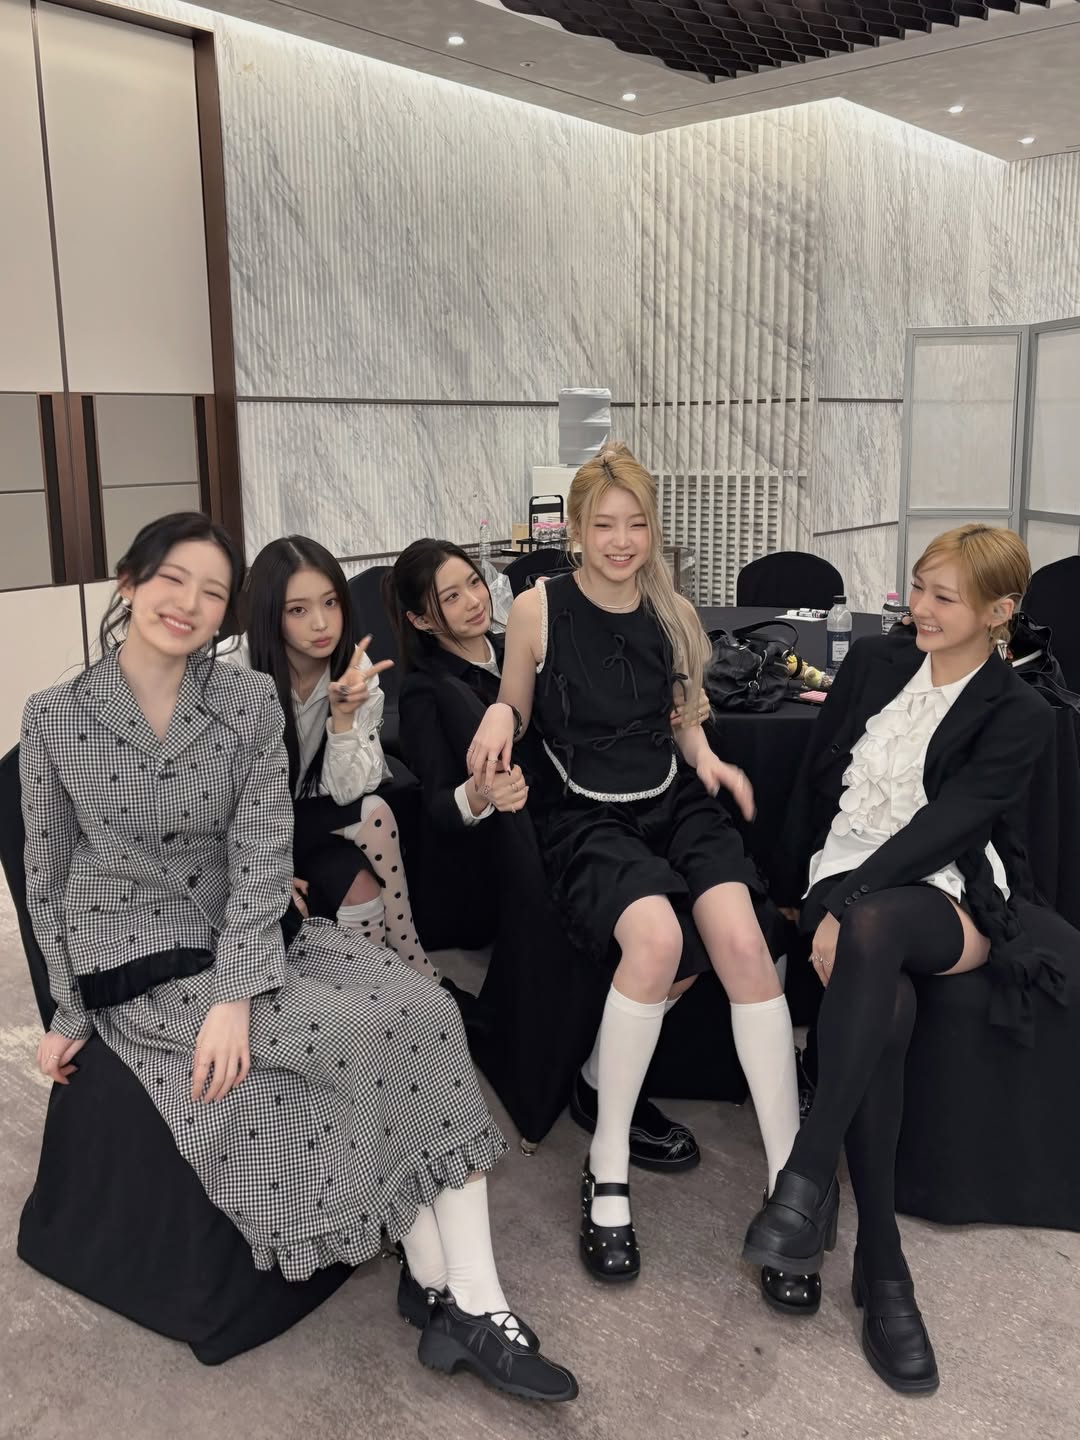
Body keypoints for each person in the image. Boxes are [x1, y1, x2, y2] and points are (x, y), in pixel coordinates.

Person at [22, 511, 577, 1402]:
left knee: (424, 1009)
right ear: (129, 583)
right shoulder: (55, 717)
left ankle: (450, 1291)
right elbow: (45, 877)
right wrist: (66, 1012)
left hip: (247, 932)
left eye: (211, 591)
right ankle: (461, 1302)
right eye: (172, 580)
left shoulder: (245, 702)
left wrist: (235, 995)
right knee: (356, 1039)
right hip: (141, 958)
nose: (189, 603)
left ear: (226, 611)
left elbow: (262, 850)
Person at [465, 444, 813, 1309]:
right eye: (604, 526)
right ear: (577, 532)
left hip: (672, 797)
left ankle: (791, 1184)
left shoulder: (674, 610)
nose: (622, 541)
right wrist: (497, 720)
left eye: (637, 524)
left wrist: (709, 762)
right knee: (656, 940)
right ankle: (608, 1162)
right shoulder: (537, 607)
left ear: (654, 530)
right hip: (584, 810)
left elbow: (683, 717)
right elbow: (513, 701)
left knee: (744, 941)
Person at [743, 523, 1071, 1395]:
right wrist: (807, 897)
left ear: (999, 612)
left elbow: (949, 827)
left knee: (876, 928)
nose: (919, 607)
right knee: (881, 997)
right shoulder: (875, 665)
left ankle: (806, 1173)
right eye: (918, 586)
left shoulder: (1019, 710)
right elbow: (819, 783)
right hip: (846, 873)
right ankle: (882, 1264)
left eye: (944, 597)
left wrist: (849, 907)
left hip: (949, 885)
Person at [388, 537, 702, 1164]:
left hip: (593, 809)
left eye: (473, 582)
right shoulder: (428, 691)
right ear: (421, 620)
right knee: (667, 935)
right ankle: (602, 1085)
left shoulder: (521, 643)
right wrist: (480, 794)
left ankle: (611, 1066)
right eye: (450, 597)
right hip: (525, 846)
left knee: (704, 914)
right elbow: (438, 808)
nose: (473, 600)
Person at [225, 536, 436, 981]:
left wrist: (341, 719)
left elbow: (346, 792)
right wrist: (266, 872)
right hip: (246, 826)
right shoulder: (234, 671)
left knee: (369, 854)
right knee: (369, 837)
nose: (321, 624)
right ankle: (413, 975)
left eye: (330, 602)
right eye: (297, 610)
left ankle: (393, 981)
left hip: (310, 815)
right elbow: (215, 796)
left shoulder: (355, 674)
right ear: (269, 613)